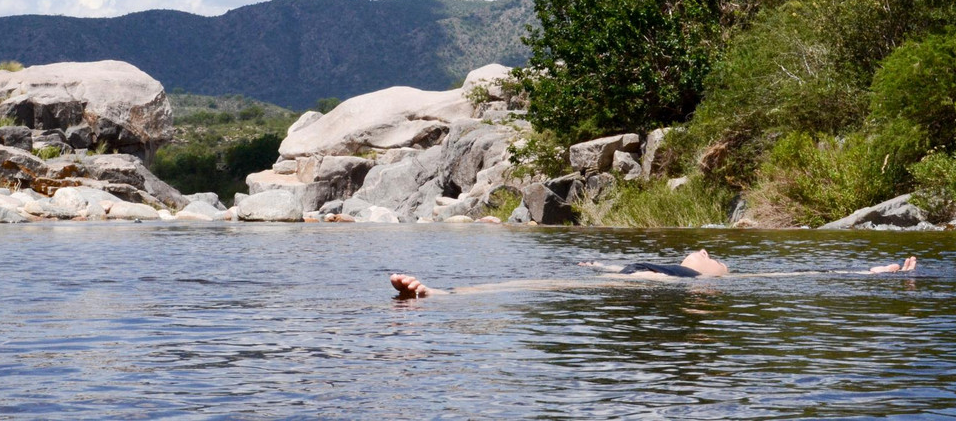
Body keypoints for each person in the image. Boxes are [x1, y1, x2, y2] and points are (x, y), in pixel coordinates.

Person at [389, 250, 917, 299]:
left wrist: (873, 271)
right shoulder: (701, 270)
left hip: (659, 284)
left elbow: (798, 275)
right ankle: (448, 293)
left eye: (711, 253)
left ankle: (448, 293)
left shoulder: (717, 280)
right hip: (633, 275)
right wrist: (598, 264)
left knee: (550, 287)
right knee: (559, 283)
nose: (704, 249)